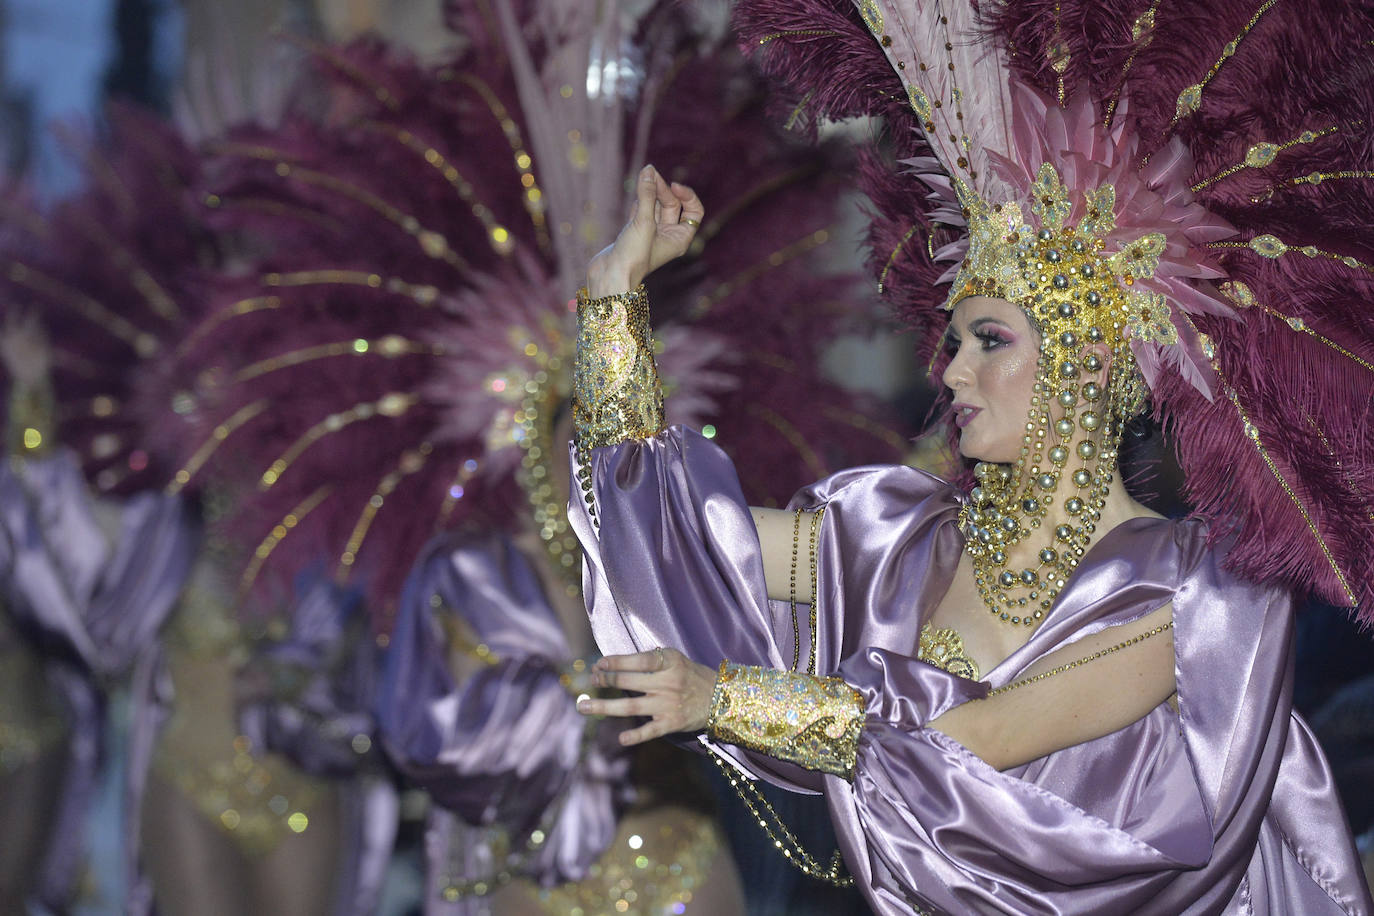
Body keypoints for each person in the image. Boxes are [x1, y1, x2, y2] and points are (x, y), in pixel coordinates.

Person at [567, 1, 1374, 913]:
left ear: (1087, 360)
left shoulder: (1189, 594)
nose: (951, 370)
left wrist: (728, 700)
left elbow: (973, 738)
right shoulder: (899, 541)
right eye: (953, 342)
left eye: (990, 339)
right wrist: (614, 300)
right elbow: (661, 537)